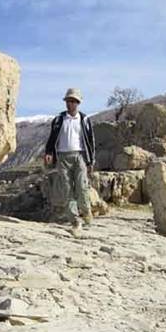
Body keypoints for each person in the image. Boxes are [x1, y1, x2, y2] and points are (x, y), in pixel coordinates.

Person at [44, 88, 96, 235]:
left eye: (73, 101)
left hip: (79, 156)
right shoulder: (59, 120)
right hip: (62, 157)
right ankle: (75, 220)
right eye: (68, 101)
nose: (70, 104)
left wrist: (91, 161)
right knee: (67, 189)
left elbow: (90, 141)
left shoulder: (84, 120)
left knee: (81, 186)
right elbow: (52, 138)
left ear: (78, 103)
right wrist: (49, 153)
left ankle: (86, 212)